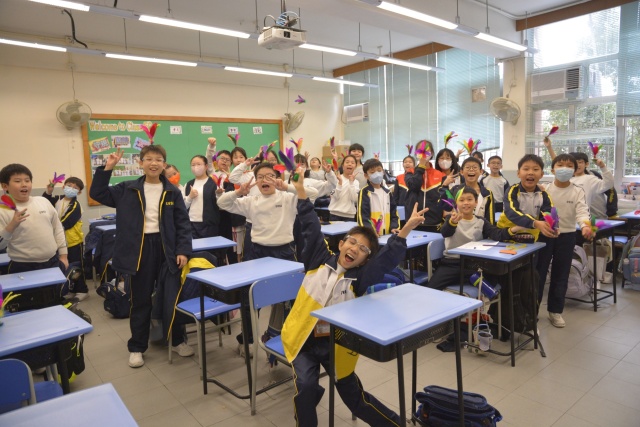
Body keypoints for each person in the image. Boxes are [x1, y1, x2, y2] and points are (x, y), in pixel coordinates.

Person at [281, 167, 429, 427]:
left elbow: (386, 261)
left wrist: (405, 230)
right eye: (351, 243)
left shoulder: (360, 279)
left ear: (365, 260)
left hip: (336, 345)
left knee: (355, 399)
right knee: (305, 386)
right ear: (341, 244)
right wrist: (301, 192)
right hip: (302, 338)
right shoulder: (317, 260)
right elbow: (311, 227)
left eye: (363, 249)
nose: (355, 249)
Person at [90, 146, 193, 368]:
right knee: (140, 300)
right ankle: (137, 347)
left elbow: (183, 224)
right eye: (149, 159)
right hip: (139, 250)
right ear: (140, 162)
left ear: (164, 164)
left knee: (171, 298)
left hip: (167, 250)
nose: (154, 163)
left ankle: (177, 340)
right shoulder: (127, 189)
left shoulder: (172, 191)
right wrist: (107, 168)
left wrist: (183, 250)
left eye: (159, 159)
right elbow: (97, 193)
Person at [536, 154, 593, 328]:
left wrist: (585, 225)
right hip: (545, 235)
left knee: (560, 274)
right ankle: (532, 312)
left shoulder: (577, 191)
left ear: (574, 171)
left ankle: (555, 311)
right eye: (560, 165)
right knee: (538, 274)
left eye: (569, 166)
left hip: (567, 236)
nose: (564, 169)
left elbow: (582, 211)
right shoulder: (544, 189)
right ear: (552, 169)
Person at [427, 187, 522, 290]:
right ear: (456, 203)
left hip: (474, 265)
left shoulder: (481, 221)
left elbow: (496, 234)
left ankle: (481, 296)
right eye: (461, 200)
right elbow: (445, 232)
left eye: (469, 199)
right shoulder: (451, 218)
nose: (466, 203)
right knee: (431, 288)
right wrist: (453, 223)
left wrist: (515, 229)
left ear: (476, 202)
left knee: (495, 282)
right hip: (452, 264)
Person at [0, 164, 68, 274]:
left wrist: (63, 256)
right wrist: (12, 225)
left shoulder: (43, 201)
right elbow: (1, 245)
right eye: (17, 181)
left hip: (53, 261)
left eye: (27, 180)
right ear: (5, 186)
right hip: (22, 266)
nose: (24, 184)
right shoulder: (3, 210)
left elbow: (58, 228)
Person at [542, 138, 614, 219]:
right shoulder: (566, 179)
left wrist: (603, 167)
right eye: (575, 163)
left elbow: (608, 184)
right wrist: (549, 148)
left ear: (586, 164)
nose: (578, 165)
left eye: (580, 162)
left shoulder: (590, 179)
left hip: (582, 218)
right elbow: (558, 163)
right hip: (563, 219)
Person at [43, 175, 89, 300]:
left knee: (76, 267)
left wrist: (48, 227)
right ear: (63, 187)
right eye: (69, 186)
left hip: (73, 242)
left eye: (75, 188)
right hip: (59, 242)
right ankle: (71, 289)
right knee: (65, 266)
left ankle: (82, 290)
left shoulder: (76, 206)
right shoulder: (58, 200)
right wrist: (49, 191)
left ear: (79, 192)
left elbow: (66, 223)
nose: (71, 188)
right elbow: (45, 203)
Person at [497, 154, 556, 242]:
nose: (530, 172)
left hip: (531, 237)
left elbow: (549, 212)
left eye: (535, 169)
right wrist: (534, 223)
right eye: (526, 169)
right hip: (508, 235)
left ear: (541, 174)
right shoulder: (512, 191)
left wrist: (551, 225)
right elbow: (511, 211)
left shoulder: (544, 195)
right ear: (518, 173)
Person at [405, 140, 445, 232]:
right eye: (420, 150)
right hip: (413, 222)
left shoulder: (440, 175)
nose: (423, 154)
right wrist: (421, 167)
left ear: (432, 153)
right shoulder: (410, 172)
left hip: (434, 222)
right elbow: (414, 186)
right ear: (416, 153)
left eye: (426, 150)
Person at [441, 157, 495, 224]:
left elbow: (490, 217)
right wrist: (444, 186)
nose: (471, 169)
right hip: (457, 228)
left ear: (481, 171)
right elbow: (445, 207)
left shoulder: (487, 193)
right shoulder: (455, 190)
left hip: (479, 228)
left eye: (475, 167)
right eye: (467, 167)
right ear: (461, 172)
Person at [356, 158, 399, 236]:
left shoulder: (387, 192)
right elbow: (362, 216)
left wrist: (394, 227)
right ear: (366, 175)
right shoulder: (365, 192)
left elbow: (394, 214)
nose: (377, 174)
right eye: (372, 172)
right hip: (371, 236)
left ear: (383, 172)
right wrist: (371, 231)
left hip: (387, 235)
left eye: (379, 170)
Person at [184, 155, 220, 238]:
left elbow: (220, 203)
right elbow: (183, 206)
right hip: (190, 224)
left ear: (206, 166)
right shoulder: (188, 184)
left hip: (209, 225)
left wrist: (219, 194)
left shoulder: (214, 183)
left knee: (209, 246)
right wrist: (190, 197)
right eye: (193, 165)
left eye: (198, 164)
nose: (195, 167)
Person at [328, 155, 360, 221]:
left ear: (355, 166)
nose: (350, 164)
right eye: (347, 162)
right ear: (343, 166)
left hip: (349, 215)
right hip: (335, 214)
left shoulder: (356, 182)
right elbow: (335, 196)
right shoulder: (337, 178)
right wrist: (340, 183)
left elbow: (354, 199)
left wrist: (351, 183)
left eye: (352, 163)